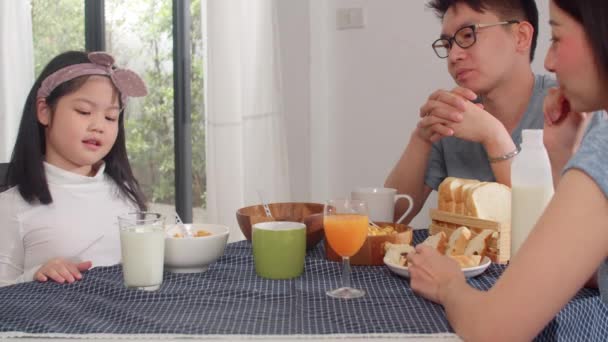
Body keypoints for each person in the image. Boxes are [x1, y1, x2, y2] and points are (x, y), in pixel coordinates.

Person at [408, 0, 608, 340]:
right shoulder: (457, 117)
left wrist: (448, 284)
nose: (548, 60)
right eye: (448, 43)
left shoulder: (599, 138)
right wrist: (560, 154)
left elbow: (493, 330)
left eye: (557, 38)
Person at [385, 0, 553, 224]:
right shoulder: (455, 115)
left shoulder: (570, 109)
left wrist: (493, 136)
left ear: (520, 36)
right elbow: (387, 221)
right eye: (447, 44)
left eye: (467, 35)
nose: (454, 56)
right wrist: (421, 139)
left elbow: (550, 230)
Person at [0, 51, 148, 287]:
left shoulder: (126, 194)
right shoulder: (10, 206)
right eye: (84, 112)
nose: (98, 126)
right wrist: (36, 275)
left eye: (110, 117)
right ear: (44, 111)